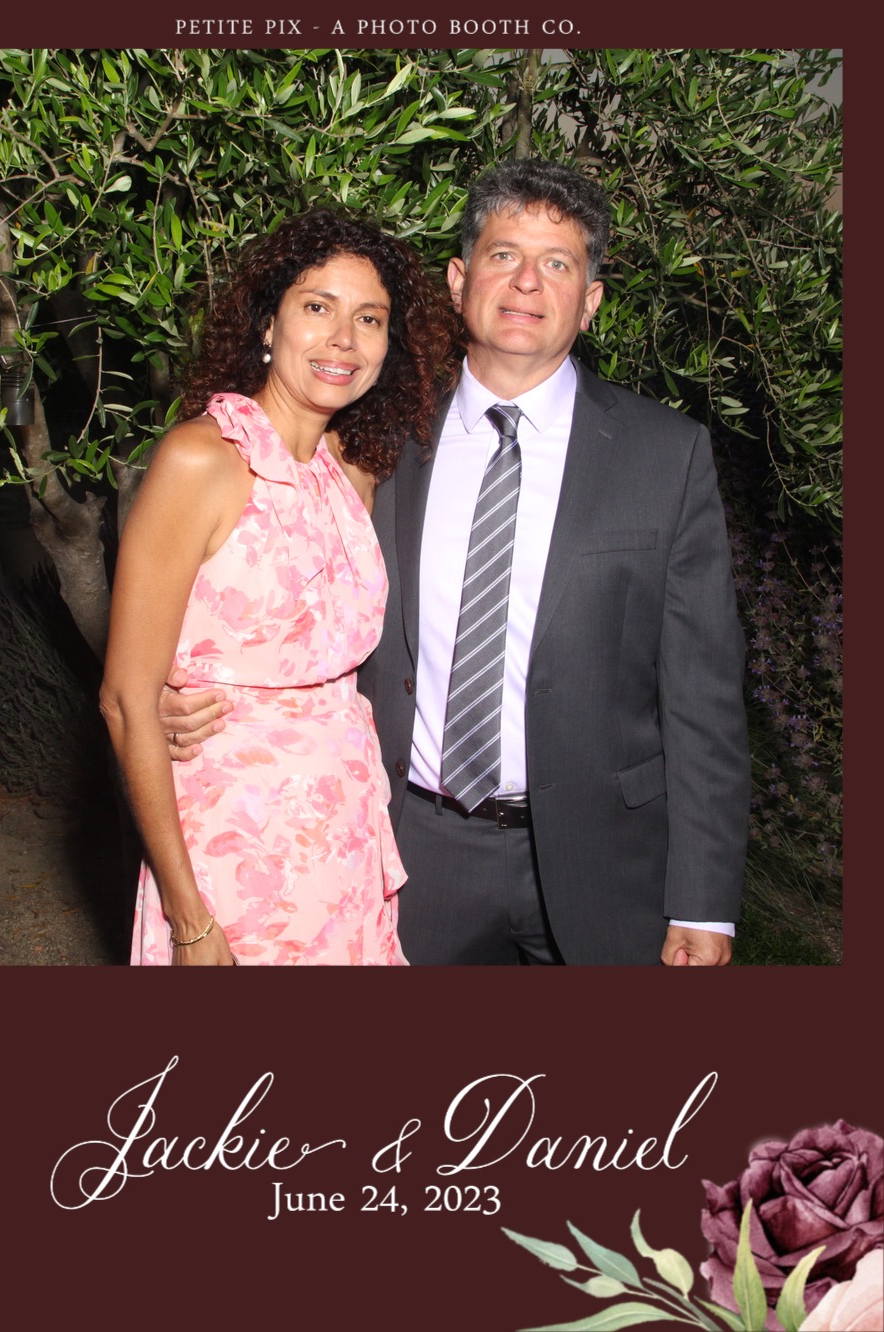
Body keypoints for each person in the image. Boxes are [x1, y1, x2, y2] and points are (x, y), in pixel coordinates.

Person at [160, 161, 751, 967]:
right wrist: (183, 690)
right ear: (458, 280)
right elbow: (265, 591)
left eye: (557, 263)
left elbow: (704, 700)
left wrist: (705, 903)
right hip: (409, 850)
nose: (527, 282)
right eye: (504, 254)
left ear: (591, 301)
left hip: (605, 861)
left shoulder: (666, 457)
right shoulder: (368, 438)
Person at [100, 208, 456, 965]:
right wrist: (189, 919)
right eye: (318, 307)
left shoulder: (351, 471)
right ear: (269, 323)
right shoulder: (201, 460)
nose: (344, 338)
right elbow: (127, 701)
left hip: (346, 841)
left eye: (370, 318)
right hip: (230, 851)